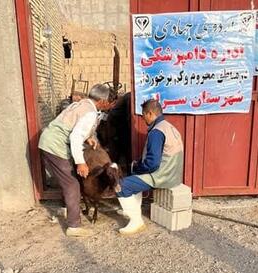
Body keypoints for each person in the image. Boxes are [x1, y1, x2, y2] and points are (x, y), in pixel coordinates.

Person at [38, 84, 111, 237]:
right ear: (102, 101)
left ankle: (68, 208)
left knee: (67, 178)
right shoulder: (90, 113)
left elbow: (73, 126)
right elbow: (75, 136)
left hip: (50, 141)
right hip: (55, 145)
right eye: (108, 100)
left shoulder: (82, 104)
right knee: (72, 184)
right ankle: (73, 226)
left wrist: (89, 137)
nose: (109, 103)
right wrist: (81, 162)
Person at [116, 99, 184, 235]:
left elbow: (152, 164)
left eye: (143, 115)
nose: (143, 119)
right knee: (134, 176)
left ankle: (136, 221)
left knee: (119, 185)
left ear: (150, 113)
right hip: (174, 174)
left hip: (162, 176)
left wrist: (137, 168)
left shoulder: (156, 132)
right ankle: (134, 209)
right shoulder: (169, 127)